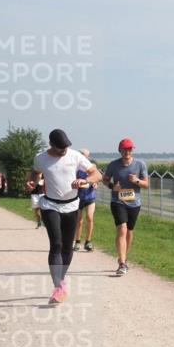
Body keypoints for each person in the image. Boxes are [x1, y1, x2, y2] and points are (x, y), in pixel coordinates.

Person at [28, 129, 101, 305]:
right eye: (60, 148)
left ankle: (61, 279)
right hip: (50, 205)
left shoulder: (75, 156)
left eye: (66, 146)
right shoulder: (41, 158)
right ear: (51, 145)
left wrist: (85, 181)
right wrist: (32, 180)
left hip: (72, 205)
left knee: (67, 247)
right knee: (57, 244)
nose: (64, 150)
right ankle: (59, 286)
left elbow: (97, 174)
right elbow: (35, 172)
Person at [103, 138, 149, 276]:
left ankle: (124, 257)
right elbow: (104, 179)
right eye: (124, 149)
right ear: (120, 151)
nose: (127, 152)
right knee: (122, 228)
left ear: (132, 150)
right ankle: (122, 264)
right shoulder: (113, 165)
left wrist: (137, 181)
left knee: (129, 231)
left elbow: (146, 184)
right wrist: (112, 186)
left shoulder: (140, 164)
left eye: (129, 149)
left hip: (134, 203)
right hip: (118, 201)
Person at [74, 149, 97, 252]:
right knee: (79, 220)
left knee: (90, 217)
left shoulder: (92, 166)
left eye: (86, 156)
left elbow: (96, 178)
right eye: (82, 155)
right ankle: (77, 242)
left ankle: (88, 241)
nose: (84, 157)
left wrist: (95, 183)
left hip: (90, 196)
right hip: (78, 197)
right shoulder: (75, 167)